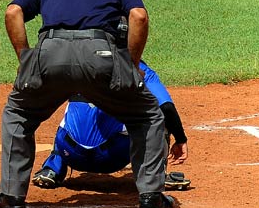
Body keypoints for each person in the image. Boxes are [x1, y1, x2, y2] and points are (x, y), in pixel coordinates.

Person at [0, 0, 179, 208]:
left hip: (49, 52)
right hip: (102, 55)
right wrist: (130, 65)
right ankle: (150, 200)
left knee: (19, 114)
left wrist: (25, 59)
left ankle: (13, 197)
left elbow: (12, 12)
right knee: (146, 117)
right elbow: (139, 16)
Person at [32, 59, 191, 191]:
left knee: (72, 112)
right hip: (111, 157)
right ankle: (156, 176)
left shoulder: (78, 62)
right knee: (157, 117)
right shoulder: (139, 68)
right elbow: (167, 108)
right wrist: (181, 139)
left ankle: (52, 169)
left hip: (71, 153)